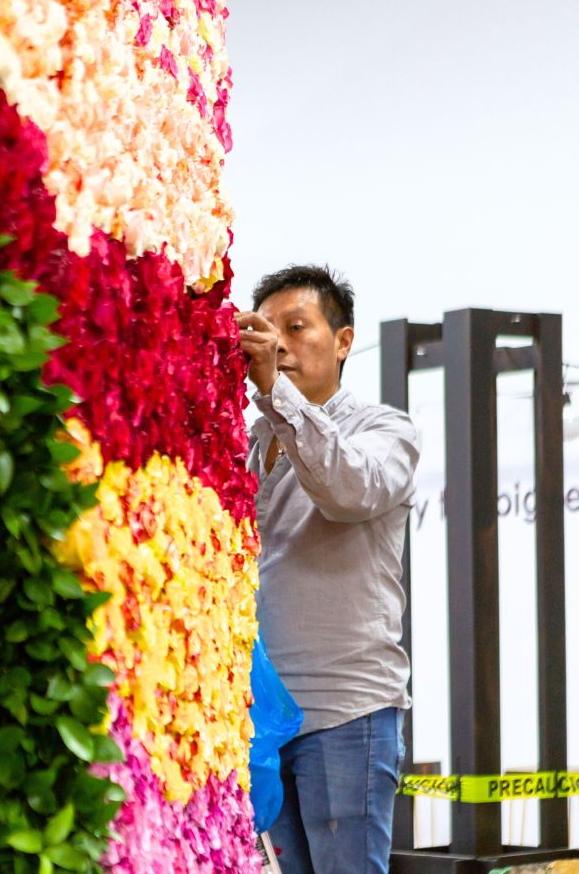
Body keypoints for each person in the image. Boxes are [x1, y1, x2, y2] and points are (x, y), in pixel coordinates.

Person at [235, 265, 419, 873]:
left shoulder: (385, 430)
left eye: (296, 327)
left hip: (345, 713)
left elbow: (350, 489)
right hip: (263, 721)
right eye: (267, 331)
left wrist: (275, 396)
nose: (280, 345)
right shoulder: (250, 442)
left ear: (344, 342)